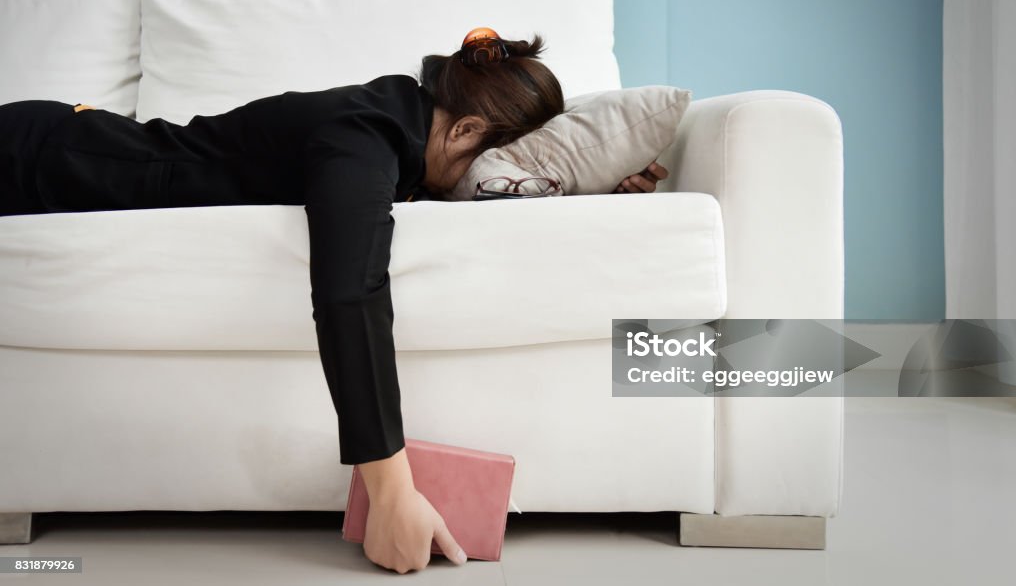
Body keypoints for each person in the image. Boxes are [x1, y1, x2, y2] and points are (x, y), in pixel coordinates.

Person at [0, 28, 669, 574]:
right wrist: (392, 491)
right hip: (38, 162)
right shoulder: (363, 137)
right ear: (465, 131)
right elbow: (350, 292)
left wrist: (600, 205)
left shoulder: (403, 124)